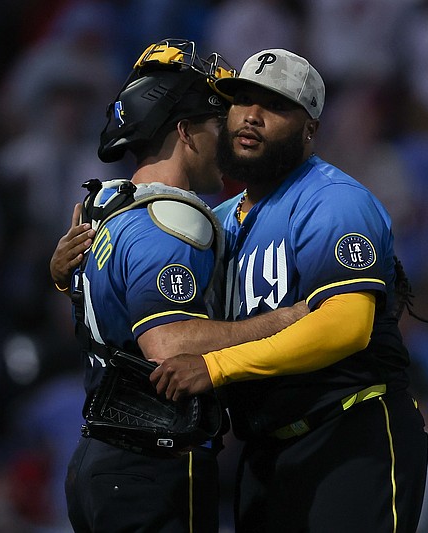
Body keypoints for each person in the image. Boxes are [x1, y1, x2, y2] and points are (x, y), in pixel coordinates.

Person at [151, 48, 428, 532]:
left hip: (348, 434)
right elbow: (155, 312)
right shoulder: (216, 223)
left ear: (310, 129)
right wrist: (71, 268)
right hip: (265, 451)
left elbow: (346, 326)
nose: (252, 116)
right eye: (241, 100)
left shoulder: (333, 200)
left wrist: (215, 366)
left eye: (276, 106)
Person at [49, 39, 307, 533]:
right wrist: (286, 321)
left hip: (101, 464)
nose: (228, 140)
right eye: (216, 126)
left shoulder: (106, 208)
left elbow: (97, 311)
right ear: (186, 132)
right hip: (155, 461)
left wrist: (60, 279)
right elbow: (166, 345)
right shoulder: (174, 220)